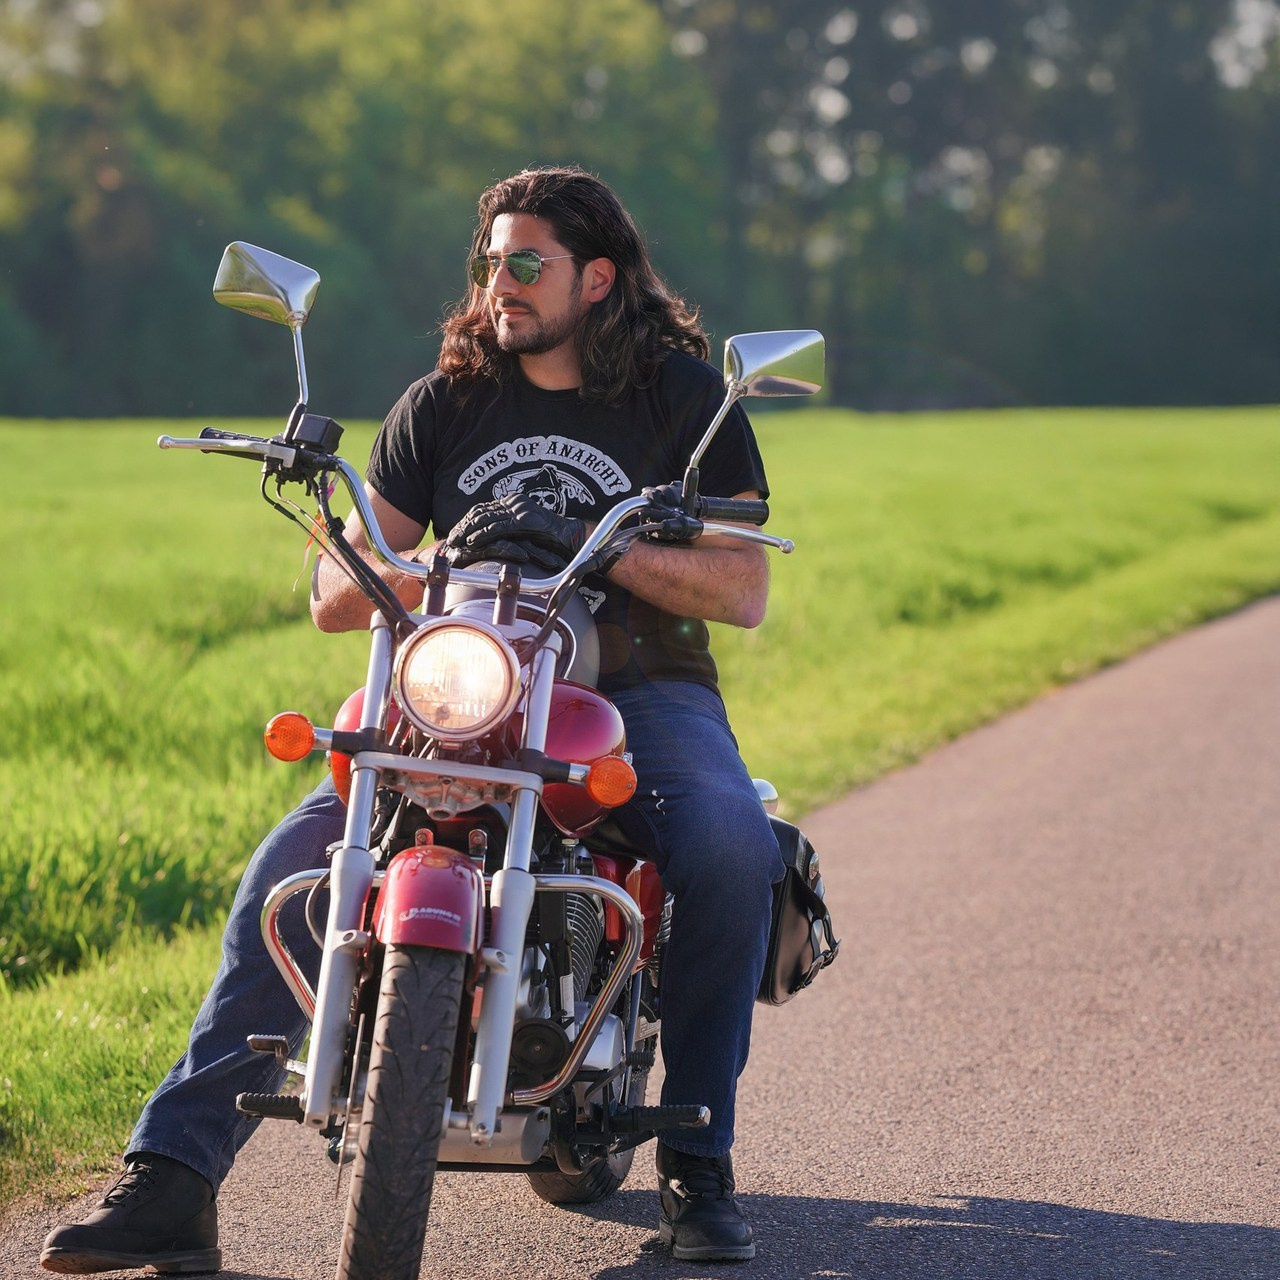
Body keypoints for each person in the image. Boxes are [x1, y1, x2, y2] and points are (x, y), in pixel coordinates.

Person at [41, 166, 783, 1273]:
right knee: (293, 863)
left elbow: (742, 587)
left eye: (526, 262)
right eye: (488, 260)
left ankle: (698, 1160)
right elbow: (338, 598)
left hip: (636, 689)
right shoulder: (445, 402)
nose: (500, 282)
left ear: (596, 276)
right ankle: (174, 1172)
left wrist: (605, 546)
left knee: (729, 843)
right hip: (462, 685)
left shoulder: (678, 402)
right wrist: (440, 549)